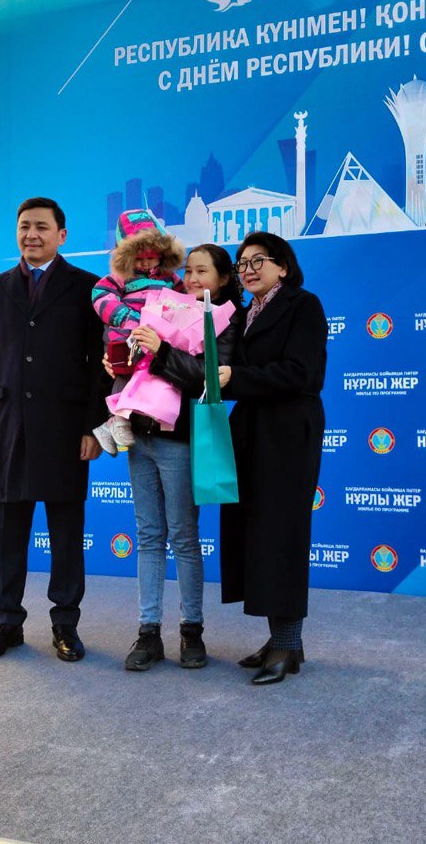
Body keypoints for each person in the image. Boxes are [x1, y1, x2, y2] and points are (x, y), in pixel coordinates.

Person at [0, 197, 107, 663]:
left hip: (66, 429)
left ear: (61, 235)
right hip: (7, 427)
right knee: (9, 533)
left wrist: (93, 426)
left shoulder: (88, 287)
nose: (31, 234)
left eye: (41, 227)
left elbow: (98, 366)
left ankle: (65, 624)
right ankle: (7, 623)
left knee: (66, 533)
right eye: (24, 226)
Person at [117, 244, 241, 671]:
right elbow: (139, 368)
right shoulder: (163, 305)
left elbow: (209, 382)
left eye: (202, 272)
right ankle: (148, 631)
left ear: (223, 278)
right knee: (149, 536)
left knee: (184, 538)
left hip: (182, 440)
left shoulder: (225, 321)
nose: (191, 280)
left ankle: (192, 630)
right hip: (141, 435)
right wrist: (121, 361)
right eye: (188, 271)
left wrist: (162, 351)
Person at [218, 232, 327, 685]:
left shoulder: (303, 305)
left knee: (281, 535)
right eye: (242, 263)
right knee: (257, 534)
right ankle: (284, 641)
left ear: (283, 265)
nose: (248, 269)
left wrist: (235, 378)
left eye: (257, 260)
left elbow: (302, 373)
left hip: (287, 431)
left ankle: (285, 644)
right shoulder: (243, 314)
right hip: (250, 429)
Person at [89, 209, 185, 454]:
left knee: (152, 380)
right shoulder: (122, 277)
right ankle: (118, 418)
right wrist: (128, 319)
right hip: (128, 337)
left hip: (157, 339)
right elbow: (100, 295)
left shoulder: (171, 279)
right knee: (124, 372)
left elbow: (184, 302)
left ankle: (110, 425)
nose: (144, 264)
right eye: (138, 258)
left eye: (150, 258)